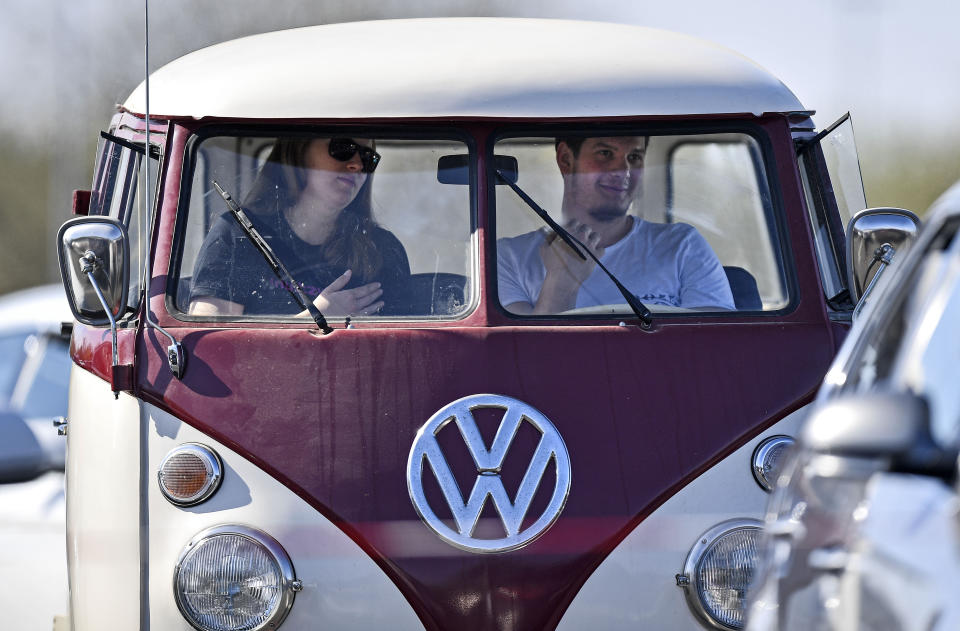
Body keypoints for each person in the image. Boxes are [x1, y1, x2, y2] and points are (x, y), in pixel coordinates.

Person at [497, 135, 735, 314]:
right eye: (605, 153)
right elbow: (528, 364)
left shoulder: (682, 246)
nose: (624, 171)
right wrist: (561, 282)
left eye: (634, 157)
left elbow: (715, 351)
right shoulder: (508, 258)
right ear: (566, 159)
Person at [189, 136, 410, 317]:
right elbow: (214, 344)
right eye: (343, 148)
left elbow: (407, 351)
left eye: (367, 157)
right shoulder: (238, 234)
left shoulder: (383, 249)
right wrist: (318, 318)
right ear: (300, 154)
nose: (358, 165)